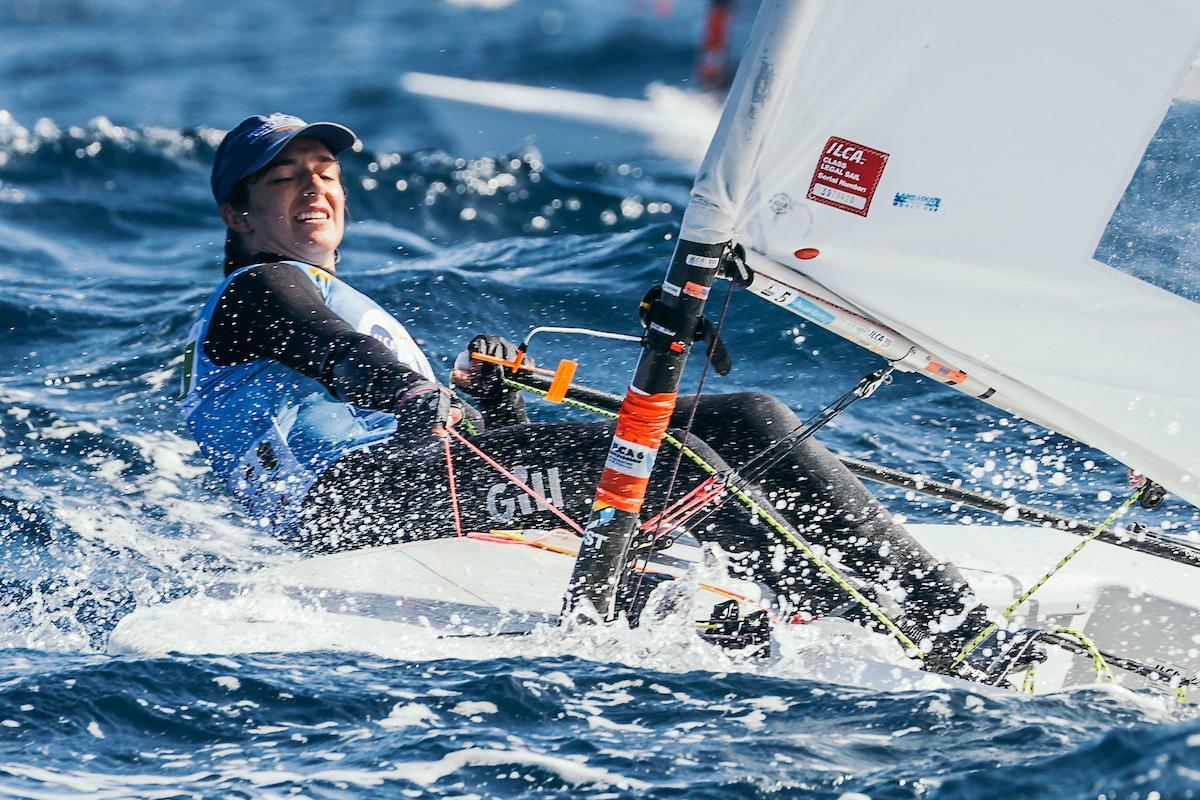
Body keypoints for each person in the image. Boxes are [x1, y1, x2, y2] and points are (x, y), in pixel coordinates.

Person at [180, 113, 1033, 681]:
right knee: (743, 426)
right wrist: (411, 388)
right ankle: (955, 635)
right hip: (356, 502)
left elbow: (432, 428)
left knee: (705, 475)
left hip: (389, 489)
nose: (314, 190)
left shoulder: (326, 290)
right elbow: (336, 356)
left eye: (324, 173)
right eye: (284, 178)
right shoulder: (260, 289)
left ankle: (857, 632)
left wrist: (496, 410)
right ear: (238, 215)